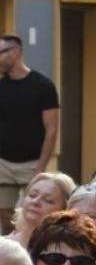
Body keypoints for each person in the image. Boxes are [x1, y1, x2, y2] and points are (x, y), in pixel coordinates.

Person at [0, 35, 59, 230]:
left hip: (32, 162)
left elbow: (51, 129)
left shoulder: (43, 86)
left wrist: (41, 166)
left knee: (35, 215)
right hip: (3, 162)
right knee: (3, 214)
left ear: (15, 53)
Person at [3, 171, 73, 248]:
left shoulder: (67, 250)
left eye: (48, 200)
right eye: (32, 195)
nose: (35, 202)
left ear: (65, 210)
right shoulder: (4, 245)